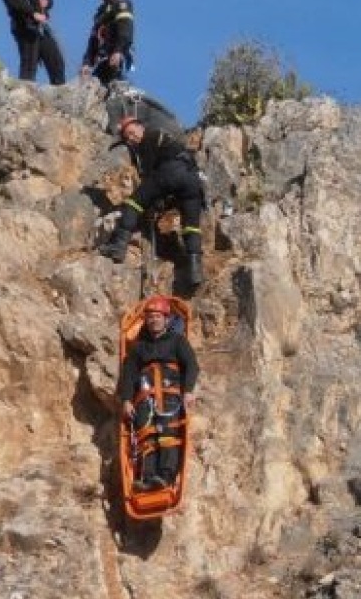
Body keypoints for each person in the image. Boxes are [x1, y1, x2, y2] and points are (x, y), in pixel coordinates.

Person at [99, 116, 206, 286]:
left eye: (132, 133)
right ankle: (194, 272)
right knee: (191, 225)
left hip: (169, 172)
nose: (131, 139)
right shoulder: (168, 139)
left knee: (133, 203)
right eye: (128, 137)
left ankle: (118, 246)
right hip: (191, 179)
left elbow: (149, 175)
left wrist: (152, 199)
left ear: (140, 127)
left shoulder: (150, 137)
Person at [118, 296, 199, 490]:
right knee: (146, 434)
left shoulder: (177, 341)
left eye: (158, 316)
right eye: (150, 317)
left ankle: (166, 476)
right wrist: (127, 400)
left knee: (167, 430)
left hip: (169, 392)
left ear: (166, 319)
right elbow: (128, 375)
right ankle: (147, 478)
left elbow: (191, 366)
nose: (154, 320)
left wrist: (188, 391)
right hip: (145, 396)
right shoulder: (139, 348)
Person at [80, 0, 134, 86]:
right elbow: (93, 41)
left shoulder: (121, 3)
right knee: (94, 88)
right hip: (103, 58)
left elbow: (126, 29)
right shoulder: (100, 13)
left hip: (117, 55)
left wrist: (119, 51)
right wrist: (87, 63)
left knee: (114, 86)